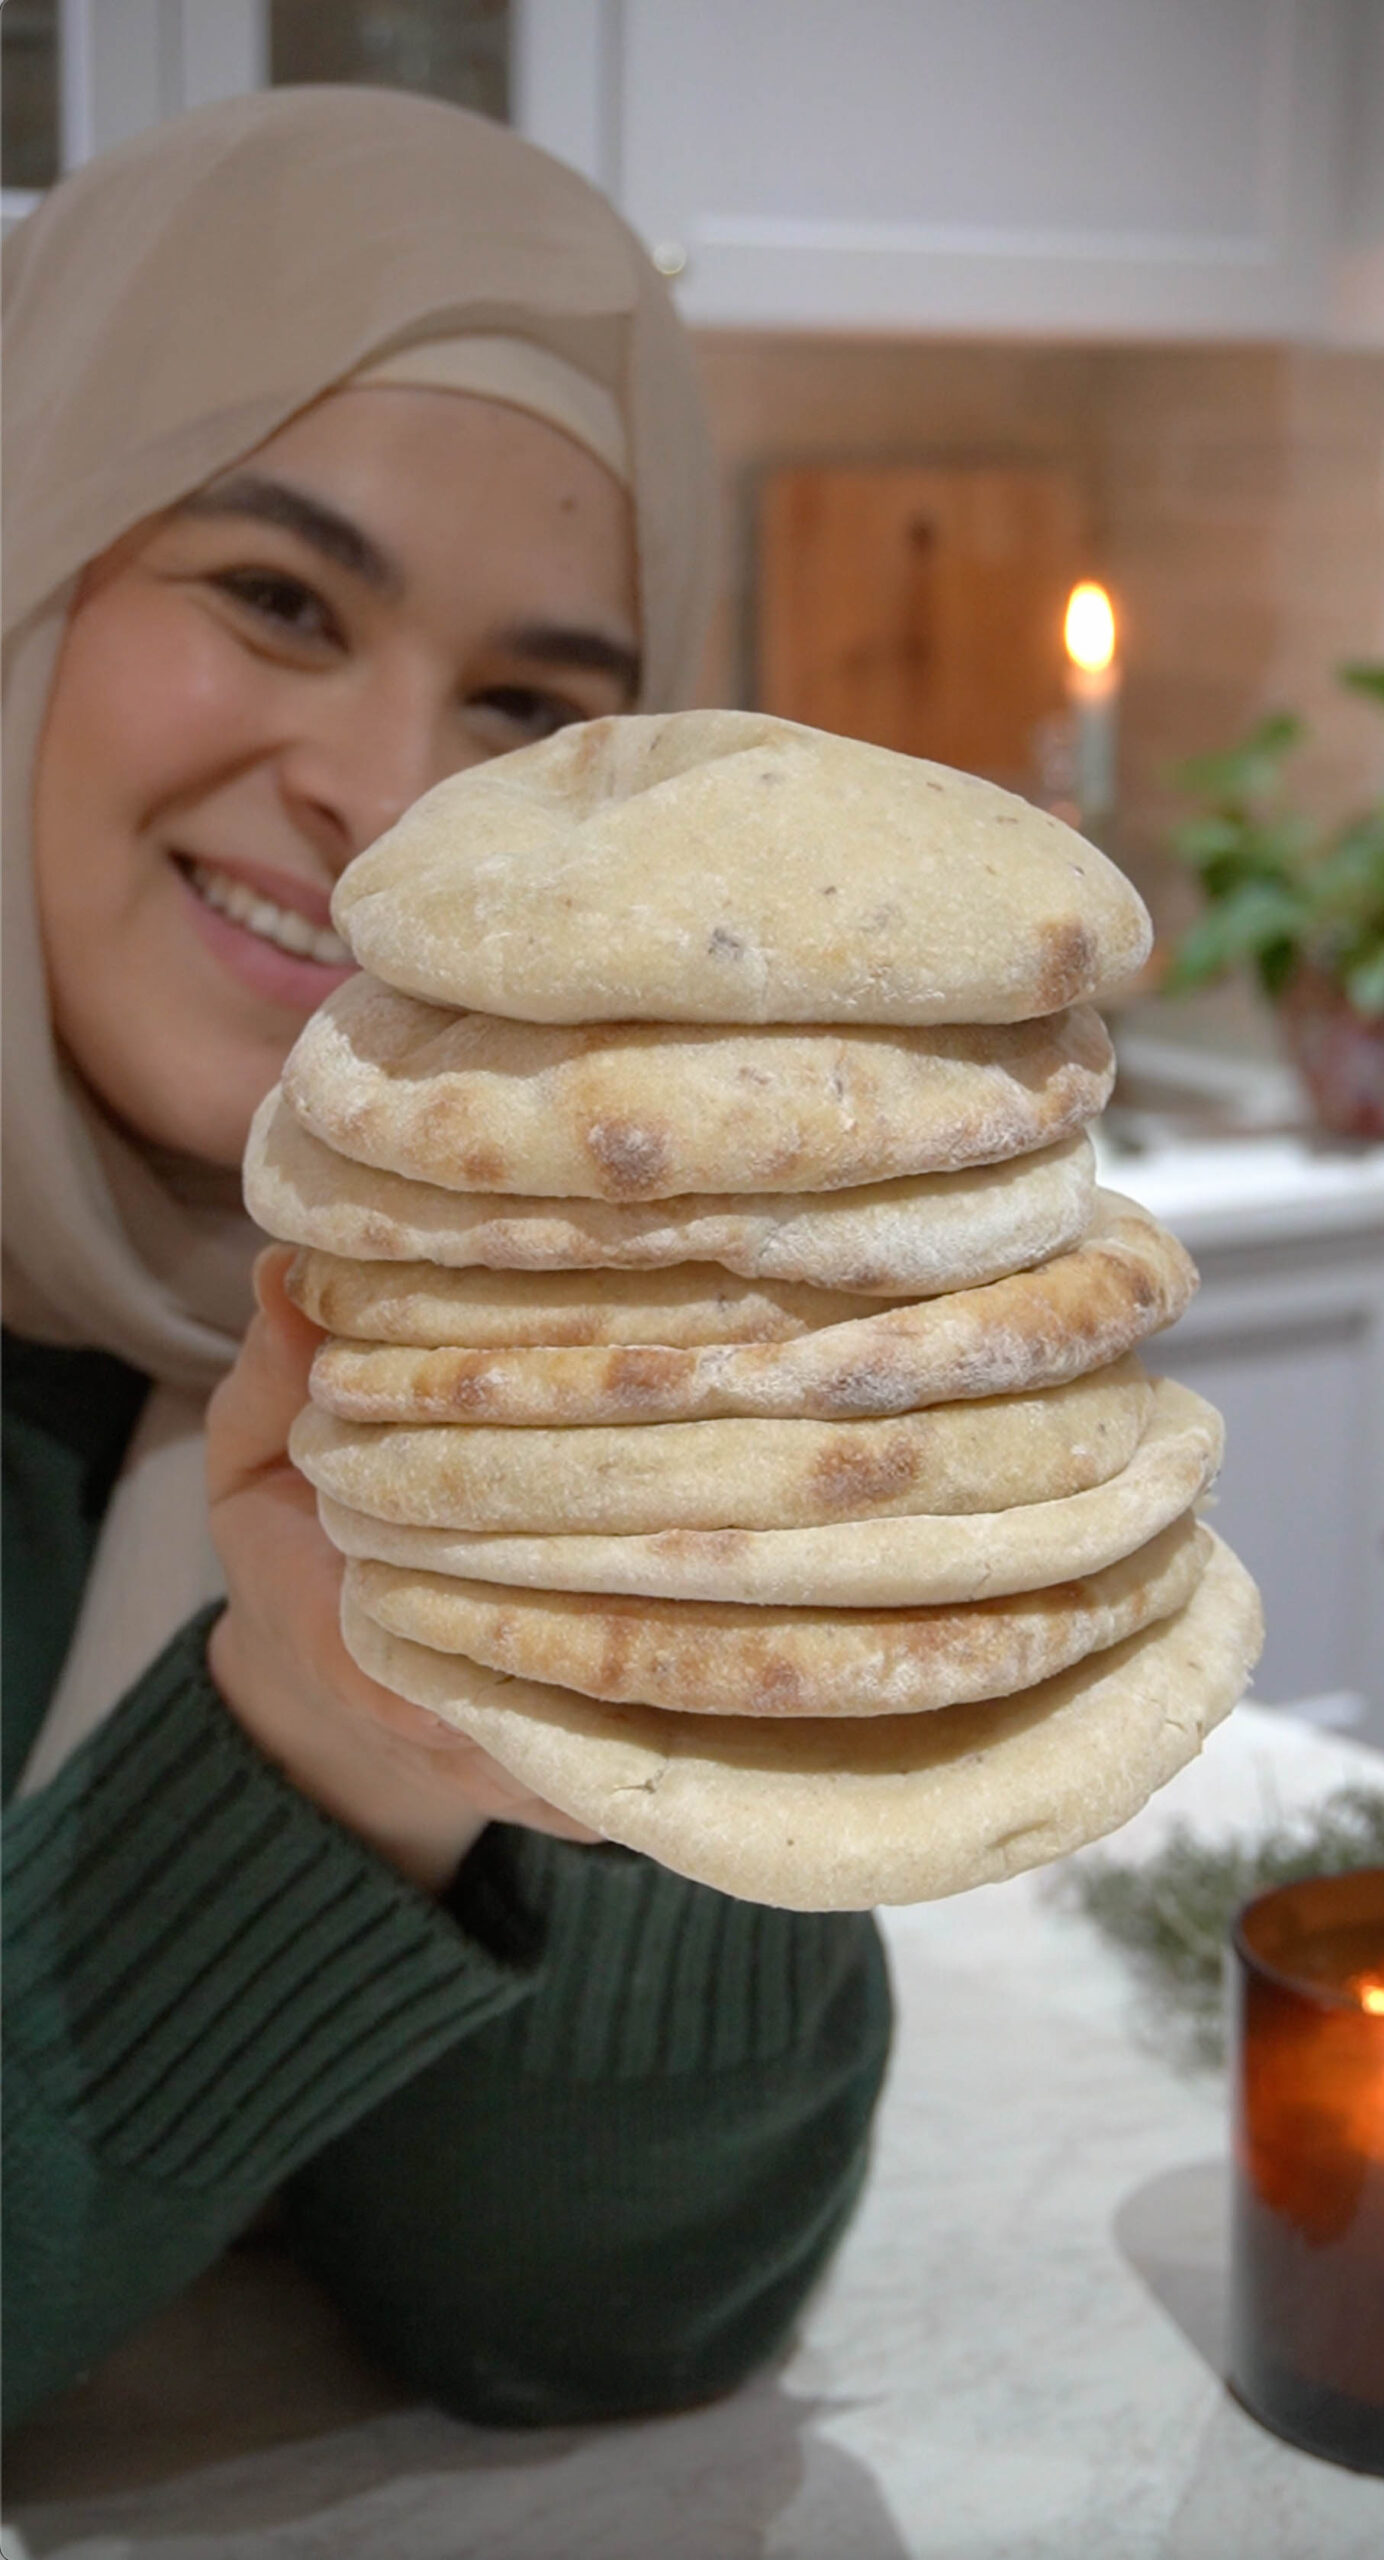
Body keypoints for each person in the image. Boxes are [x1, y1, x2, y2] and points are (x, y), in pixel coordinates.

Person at [2, 87, 891, 2434]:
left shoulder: (549, 1347)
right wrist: (293, 1742)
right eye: (276, 596)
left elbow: (600, 2315)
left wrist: (635, 1653)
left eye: (526, 706)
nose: (396, 800)